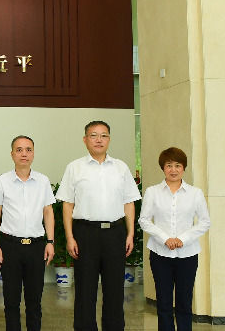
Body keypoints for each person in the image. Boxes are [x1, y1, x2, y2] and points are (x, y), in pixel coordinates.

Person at [56, 120, 141, 331]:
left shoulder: (121, 168)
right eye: (93, 135)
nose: (99, 140)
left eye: (103, 135)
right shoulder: (75, 168)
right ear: (85, 140)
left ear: (109, 140)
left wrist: (130, 234)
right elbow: (68, 205)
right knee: (85, 288)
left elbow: (129, 203)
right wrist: (70, 237)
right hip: (85, 233)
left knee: (115, 289)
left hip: (115, 233)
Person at [138, 147, 210, 331]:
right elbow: (144, 220)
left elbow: (205, 221)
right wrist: (165, 239)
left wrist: (182, 239)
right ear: (163, 168)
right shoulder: (152, 192)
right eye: (169, 165)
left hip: (188, 254)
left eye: (178, 165)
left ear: (184, 167)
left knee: (185, 302)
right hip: (160, 254)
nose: (173, 170)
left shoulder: (195, 193)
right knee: (163, 303)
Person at [0, 136, 55, 331]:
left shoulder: (43, 181)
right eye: (19, 150)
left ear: (33, 154)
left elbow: (48, 212)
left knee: (35, 301)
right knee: (11, 301)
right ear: (12, 154)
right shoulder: (1, 182)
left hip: (36, 247)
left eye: (28, 150)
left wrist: (50, 242)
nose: (23, 154)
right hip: (10, 246)